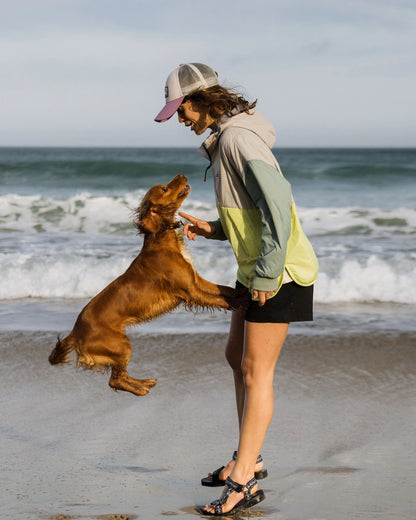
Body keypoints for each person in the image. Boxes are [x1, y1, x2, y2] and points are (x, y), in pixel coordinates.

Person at [154, 63, 319, 516]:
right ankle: (250, 456)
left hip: (280, 272)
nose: (180, 120)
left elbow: (278, 208)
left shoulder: (237, 139)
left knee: (254, 370)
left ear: (200, 100)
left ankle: (244, 479)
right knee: (236, 357)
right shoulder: (224, 139)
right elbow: (250, 213)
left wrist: (267, 273)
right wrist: (214, 229)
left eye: (181, 110)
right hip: (256, 268)